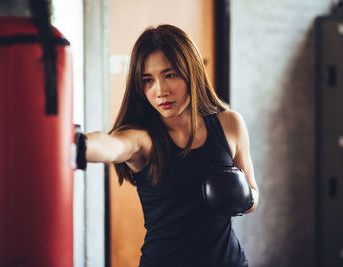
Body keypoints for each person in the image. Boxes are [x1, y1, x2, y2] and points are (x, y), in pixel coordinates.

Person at [82, 24, 259, 267]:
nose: (160, 91)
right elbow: (110, 144)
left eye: (170, 75)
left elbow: (254, 194)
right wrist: (75, 144)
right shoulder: (142, 138)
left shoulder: (229, 124)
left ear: (192, 71)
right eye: (148, 80)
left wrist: (241, 197)